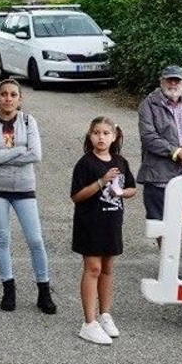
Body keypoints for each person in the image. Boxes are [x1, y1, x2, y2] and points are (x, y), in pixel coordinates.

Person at [0, 79, 56, 315]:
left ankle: (44, 291)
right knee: (3, 238)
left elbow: (36, 155)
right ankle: (8, 289)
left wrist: (1, 155)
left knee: (35, 240)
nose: (8, 98)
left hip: (24, 188)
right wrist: (19, 151)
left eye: (13, 94)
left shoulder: (28, 120)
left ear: (20, 99)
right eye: (4, 94)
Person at [69, 117, 136, 346]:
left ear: (114, 137)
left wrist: (122, 193)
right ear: (90, 136)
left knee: (107, 268)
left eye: (106, 133)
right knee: (93, 268)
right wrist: (101, 182)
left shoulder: (120, 161)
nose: (101, 137)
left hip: (112, 222)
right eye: (96, 132)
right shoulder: (85, 163)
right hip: (90, 223)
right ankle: (89, 322)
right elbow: (76, 196)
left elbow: (132, 189)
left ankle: (105, 314)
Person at [136, 64, 182, 222]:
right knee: (160, 222)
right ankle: (164, 242)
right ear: (161, 81)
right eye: (169, 80)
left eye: (177, 81)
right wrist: (177, 152)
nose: (173, 84)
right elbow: (148, 137)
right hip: (159, 174)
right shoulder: (148, 104)